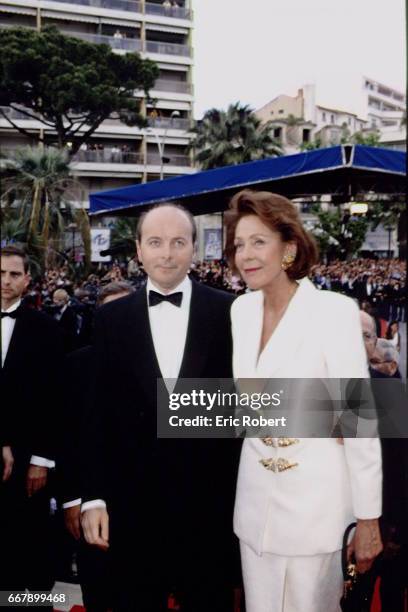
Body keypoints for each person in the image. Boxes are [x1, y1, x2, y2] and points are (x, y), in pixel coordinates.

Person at [224, 190, 383, 612]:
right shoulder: (240, 311)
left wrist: (368, 519)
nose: (245, 255)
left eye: (259, 242)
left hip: (317, 507)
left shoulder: (333, 311)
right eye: (240, 244)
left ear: (289, 247)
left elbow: (359, 420)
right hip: (256, 507)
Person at [81, 203, 241, 611]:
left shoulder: (231, 311)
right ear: (138, 250)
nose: (166, 254)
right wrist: (94, 497)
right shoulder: (111, 319)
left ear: (194, 249)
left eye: (177, 242)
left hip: (210, 507)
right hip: (132, 507)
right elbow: (98, 413)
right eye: (155, 242)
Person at [58, 281, 135, 611]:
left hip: (145, 502)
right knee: (99, 589)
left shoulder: (163, 366)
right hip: (90, 498)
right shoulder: (75, 365)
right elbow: (65, 436)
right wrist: (73, 498)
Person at [0, 245, 65, 601]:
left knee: (33, 553)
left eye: (13, 274)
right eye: (0, 273)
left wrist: (42, 458)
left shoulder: (47, 329)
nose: (5, 281)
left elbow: (55, 400)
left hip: (29, 463)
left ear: (26, 281)